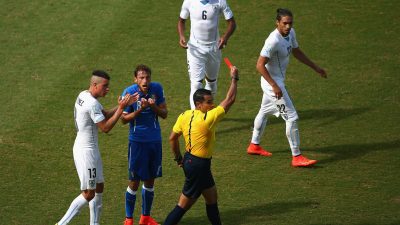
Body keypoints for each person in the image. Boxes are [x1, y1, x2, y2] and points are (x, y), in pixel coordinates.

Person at [247, 8, 327, 167]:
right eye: (285, 23)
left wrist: (315, 67)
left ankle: (254, 145)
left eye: (290, 23)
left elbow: (296, 52)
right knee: (291, 117)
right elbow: (259, 65)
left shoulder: (291, 33)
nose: (288, 26)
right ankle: (296, 156)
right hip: (272, 84)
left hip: (276, 83)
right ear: (277, 23)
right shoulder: (273, 41)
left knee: (265, 110)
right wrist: (274, 85)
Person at [56, 70, 136, 225]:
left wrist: (122, 105)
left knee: (99, 187)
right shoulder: (92, 104)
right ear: (94, 85)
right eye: (104, 86)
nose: (107, 89)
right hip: (86, 152)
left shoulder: (84, 95)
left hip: (89, 149)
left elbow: (104, 113)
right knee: (88, 193)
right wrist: (121, 109)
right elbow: (105, 127)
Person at [163, 65, 239, 225]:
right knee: (183, 205)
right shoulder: (207, 119)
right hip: (198, 165)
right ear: (198, 104)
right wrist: (234, 78)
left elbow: (172, 138)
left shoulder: (184, 115)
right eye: (209, 102)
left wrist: (178, 158)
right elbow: (230, 99)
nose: (212, 105)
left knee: (211, 198)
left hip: (191, 161)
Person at [120, 65, 168, 225]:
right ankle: (128, 219)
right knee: (134, 182)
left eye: (147, 77)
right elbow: (123, 119)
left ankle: (145, 218)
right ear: (135, 79)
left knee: (150, 180)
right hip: (137, 142)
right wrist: (139, 110)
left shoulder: (157, 89)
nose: (145, 80)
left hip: (154, 141)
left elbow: (165, 114)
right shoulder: (129, 92)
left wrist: (153, 106)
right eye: (141, 77)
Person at [178, 0, 236, 109]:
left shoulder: (220, 2)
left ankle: (207, 111)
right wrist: (181, 36)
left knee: (212, 82)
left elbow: (232, 23)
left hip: (214, 48)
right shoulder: (189, 1)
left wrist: (225, 37)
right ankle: (195, 116)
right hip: (195, 49)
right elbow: (181, 20)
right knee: (196, 83)